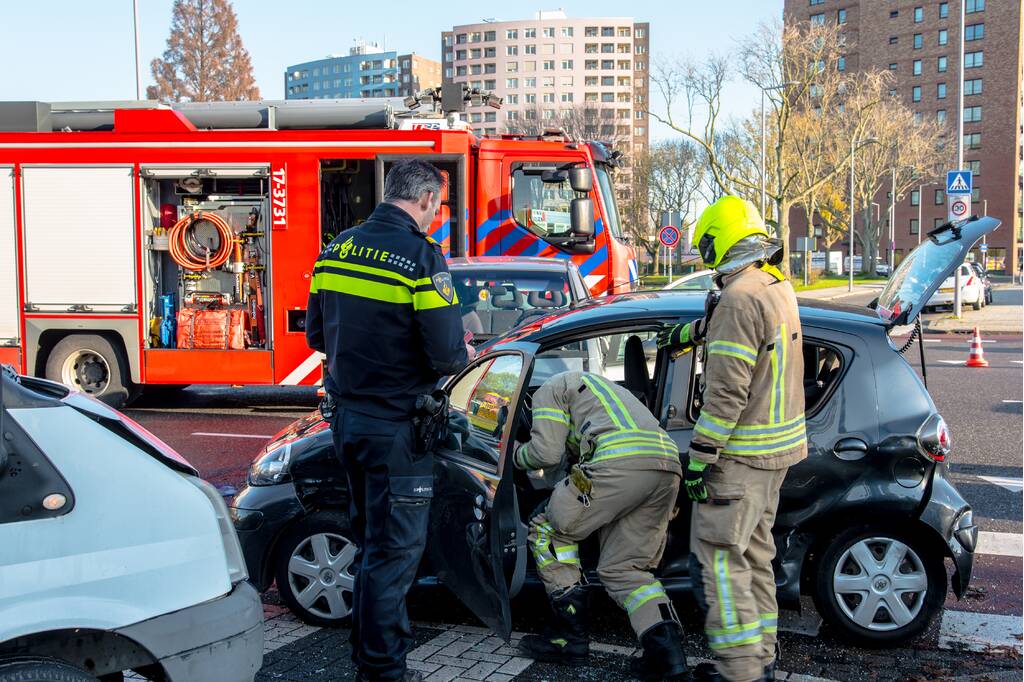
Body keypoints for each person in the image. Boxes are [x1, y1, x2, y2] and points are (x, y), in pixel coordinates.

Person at [305, 159, 470, 682]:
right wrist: (460, 348)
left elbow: (315, 335)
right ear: (425, 199)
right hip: (397, 429)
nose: (436, 215)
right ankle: (382, 671)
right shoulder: (421, 258)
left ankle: (368, 659)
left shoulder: (337, 248)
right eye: (438, 206)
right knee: (393, 555)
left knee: (371, 546)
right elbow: (448, 355)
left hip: (347, 425)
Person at [658, 196, 807, 682]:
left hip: (739, 460)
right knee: (755, 557)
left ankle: (740, 672)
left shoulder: (737, 298)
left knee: (720, 564)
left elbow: (726, 395)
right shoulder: (773, 284)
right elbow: (750, 337)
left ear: (717, 240)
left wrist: (699, 458)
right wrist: (695, 331)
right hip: (775, 455)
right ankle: (761, 657)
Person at [512, 370, 689, 682]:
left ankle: (567, 637)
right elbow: (567, 455)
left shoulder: (547, 389)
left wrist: (513, 454)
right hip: (667, 467)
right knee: (625, 569)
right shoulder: (603, 391)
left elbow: (545, 453)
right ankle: (668, 657)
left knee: (549, 526)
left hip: (618, 463)